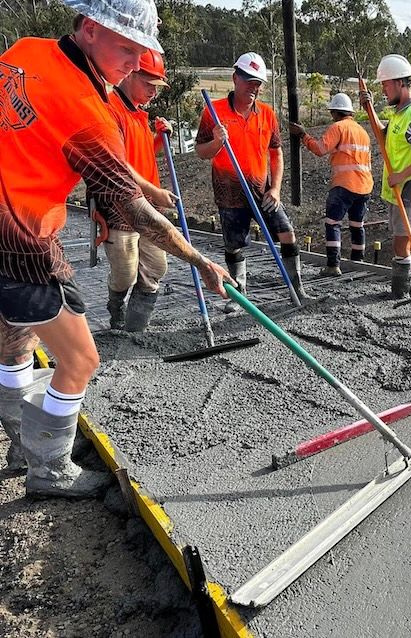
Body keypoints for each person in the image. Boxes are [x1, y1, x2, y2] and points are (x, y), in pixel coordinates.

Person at [0, 0, 230, 498]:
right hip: (22, 240)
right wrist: (200, 260)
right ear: (88, 28)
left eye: (140, 51)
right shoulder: (88, 112)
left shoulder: (24, 52)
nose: (134, 61)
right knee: (81, 360)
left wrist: (144, 186)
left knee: (15, 340)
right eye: (126, 48)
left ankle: (21, 444)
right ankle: (49, 469)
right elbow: (134, 215)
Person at [195, 52, 308, 312]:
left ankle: (297, 288)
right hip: (229, 193)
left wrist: (275, 189)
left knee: (287, 233)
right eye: (249, 81)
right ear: (235, 78)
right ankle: (240, 298)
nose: (253, 88)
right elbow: (201, 151)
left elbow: (276, 153)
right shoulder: (214, 112)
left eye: (257, 83)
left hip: (261, 191)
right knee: (234, 245)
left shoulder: (266, 114)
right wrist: (217, 141)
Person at [95, 48, 175, 331]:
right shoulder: (109, 109)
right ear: (130, 75)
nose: (154, 91)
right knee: (125, 273)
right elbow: (119, 164)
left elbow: (142, 155)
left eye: (157, 86)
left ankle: (136, 329)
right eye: (149, 84)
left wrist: (160, 139)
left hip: (148, 204)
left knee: (155, 267)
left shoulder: (138, 114)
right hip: (120, 205)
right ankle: (116, 306)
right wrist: (155, 192)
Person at [359, 54, 411, 299]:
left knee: (401, 244)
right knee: (405, 241)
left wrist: (401, 175)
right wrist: (369, 109)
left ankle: (401, 291)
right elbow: (382, 137)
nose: (383, 90)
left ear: (400, 82)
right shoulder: (399, 114)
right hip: (400, 191)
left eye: (385, 84)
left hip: (410, 190)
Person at [288, 93, 373, 276]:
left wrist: (303, 135)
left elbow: (320, 149)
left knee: (333, 223)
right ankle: (358, 262)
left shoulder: (338, 127)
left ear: (335, 112)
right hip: (364, 186)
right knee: (357, 225)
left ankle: (333, 265)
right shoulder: (362, 132)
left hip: (344, 184)